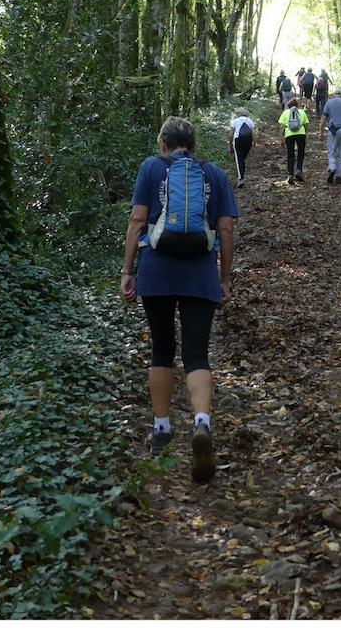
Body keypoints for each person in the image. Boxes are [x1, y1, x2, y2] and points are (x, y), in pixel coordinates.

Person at [119, 116, 237, 483]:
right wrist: (225, 277)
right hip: (200, 272)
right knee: (198, 352)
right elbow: (226, 228)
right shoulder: (213, 174)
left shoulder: (152, 168)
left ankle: (161, 427)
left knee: (162, 349)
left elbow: (138, 220)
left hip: (156, 271)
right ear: (194, 144)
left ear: (163, 144)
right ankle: (202, 422)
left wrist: (127, 270)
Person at [278, 97, 310, 184]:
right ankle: (299, 170)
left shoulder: (285, 113)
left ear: (289, 106)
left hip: (289, 135)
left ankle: (290, 175)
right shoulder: (302, 112)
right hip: (301, 134)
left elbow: (281, 127)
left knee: (290, 155)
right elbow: (306, 125)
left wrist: (281, 138)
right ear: (297, 106)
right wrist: (305, 133)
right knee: (301, 153)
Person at [226, 106, 255, 189]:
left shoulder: (234, 121)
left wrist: (230, 145)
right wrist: (254, 144)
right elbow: (253, 133)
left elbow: (231, 135)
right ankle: (242, 174)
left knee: (239, 159)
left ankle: (241, 179)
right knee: (242, 159)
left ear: (237, 114)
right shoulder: (250, 121)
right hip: (248, 140)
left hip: (238, 140)